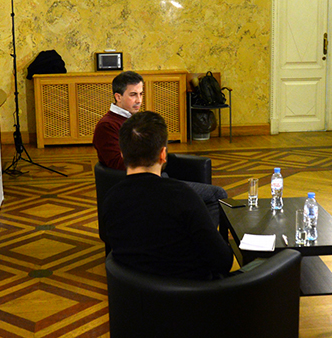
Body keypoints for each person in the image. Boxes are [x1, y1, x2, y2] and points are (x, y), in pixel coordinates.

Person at [100, 111, 234, 280]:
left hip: (135, 293)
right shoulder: (183, 196)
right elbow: (224, 262)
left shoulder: (110, 199)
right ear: (163, 155)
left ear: (122, 154)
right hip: (192, 291)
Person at [93, 70, 226, 222]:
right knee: (218, 194)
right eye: (133, 95)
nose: (139, 100)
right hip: (144, 186)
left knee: (202, 199)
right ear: (118, 97)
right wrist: (153, 161)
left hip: (157, 178)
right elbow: (117, 163)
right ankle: (198, 236)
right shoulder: (107, 126)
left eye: (141, 94)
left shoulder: (136, 120)